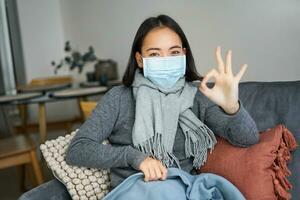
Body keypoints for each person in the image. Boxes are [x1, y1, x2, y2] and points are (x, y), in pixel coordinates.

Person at [65, 14, 259, 192]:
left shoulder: (197, 95)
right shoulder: (118, 98)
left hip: (183, 189)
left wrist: (232, 106)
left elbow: (248, 139)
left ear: (184, 54)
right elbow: (78, 149)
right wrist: (135, 158)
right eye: (155, 54)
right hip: (135, 190)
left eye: (174, 52)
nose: (166, 60)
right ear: (140, 59)